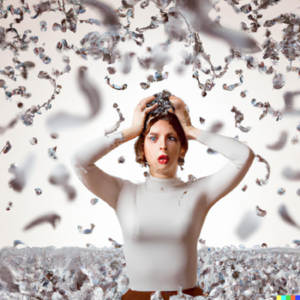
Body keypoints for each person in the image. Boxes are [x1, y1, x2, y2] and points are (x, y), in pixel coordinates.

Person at [70, 95, 256, 300]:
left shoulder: (199, 192)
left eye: (172, 138)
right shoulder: (122, 192)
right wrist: (131, 131)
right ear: (142, 148)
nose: (163, 146)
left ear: (182, 148)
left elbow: (244, 155)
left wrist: (191, 130)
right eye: (153, 137)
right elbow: (80, 161)